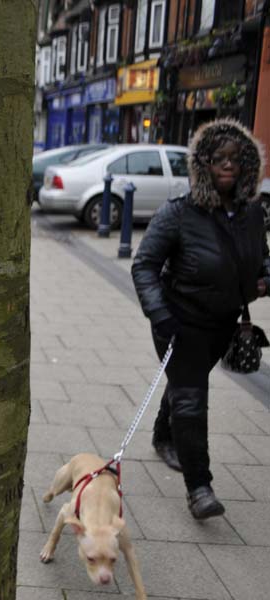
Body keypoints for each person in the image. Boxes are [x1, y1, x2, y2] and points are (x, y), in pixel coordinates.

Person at [132, 119, 270, 520]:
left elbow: (262, 258)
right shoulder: (178, 213)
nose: (227, 165)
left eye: (236, 158)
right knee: (193, 398)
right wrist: (160, 315)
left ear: (246, 165)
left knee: (184, 384)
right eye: (218, 158)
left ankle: (163, 435)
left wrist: (263, 279)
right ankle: (199, 487)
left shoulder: (252, 215)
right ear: (203, 165)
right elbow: (144, 266)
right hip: (179, 323)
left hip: (223, 325)